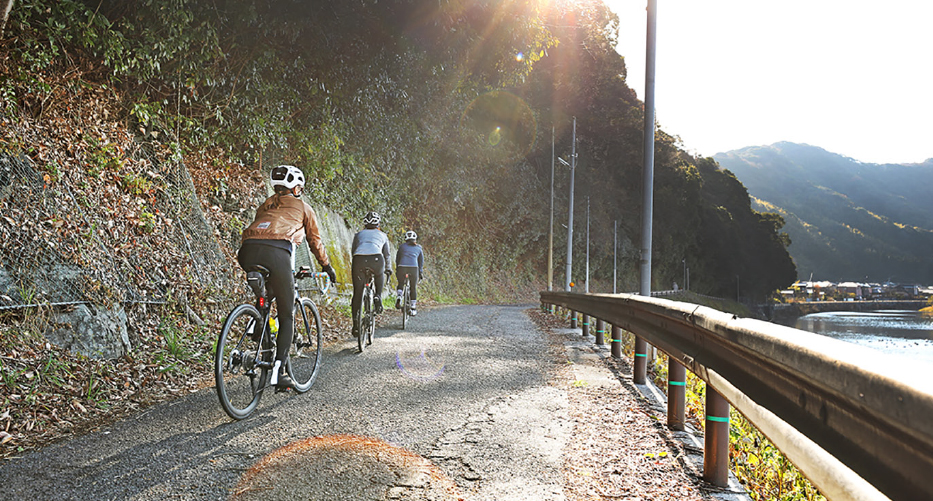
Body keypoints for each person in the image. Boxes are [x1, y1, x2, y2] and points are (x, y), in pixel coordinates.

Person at [237, 165, 337, 391]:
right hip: (277, 253)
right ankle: (279, 373)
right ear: (295, 187)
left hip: (247, 251)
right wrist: (327, 266)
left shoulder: (266, 204)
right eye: (300, 185)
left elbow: (259, 231)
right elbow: (315, 242)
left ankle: (258, 322)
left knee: (266, 296)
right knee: (286, 311)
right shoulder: (303, 207)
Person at [351, 211, 391, 338]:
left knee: (357, 293)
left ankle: (356, 325)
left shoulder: (358, 235)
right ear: (378, 224)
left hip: (359, 261)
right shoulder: (383, 235)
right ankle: (378, 296)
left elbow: (353, 251)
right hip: (376, 260)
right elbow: (387, 255)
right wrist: (388, 269)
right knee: (379, 275)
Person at [395, 230, 424, 316]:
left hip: (402, 267)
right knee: (413, 288)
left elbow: (397, 258)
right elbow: (420, 261)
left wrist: (398, 268)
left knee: (400, 283)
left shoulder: (402, 247)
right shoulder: (419, 248)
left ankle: (399, 296)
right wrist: (420, 272)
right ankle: (413, 307)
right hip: (413, 268)